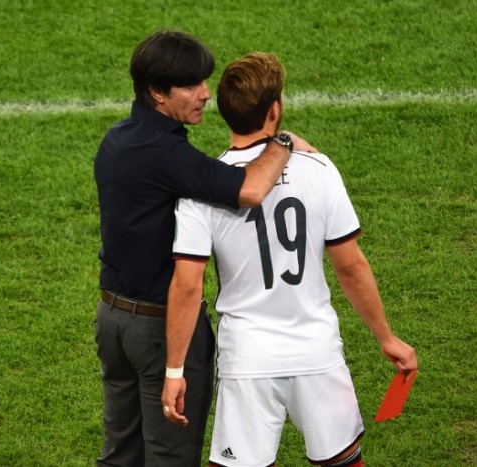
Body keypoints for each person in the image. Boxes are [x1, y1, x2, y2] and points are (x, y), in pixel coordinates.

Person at [162, 52, 418, 467]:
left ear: (225, 111)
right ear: (276, 109)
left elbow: (188, 286)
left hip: (248, 358)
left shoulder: (202, 186)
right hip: (316, 352)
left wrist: (175, 370)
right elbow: (350, 266)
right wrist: (387, 338)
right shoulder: (319, 169)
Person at [93, 31, 314, 467]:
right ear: (158, 93)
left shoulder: (115, 139)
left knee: (119, 457)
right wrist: (283, 142)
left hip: (113, 322)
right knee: (170, 459)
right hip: (161, 330)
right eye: (191, 85)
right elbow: (250, 188)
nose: (205, 94)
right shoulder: (169, 157)